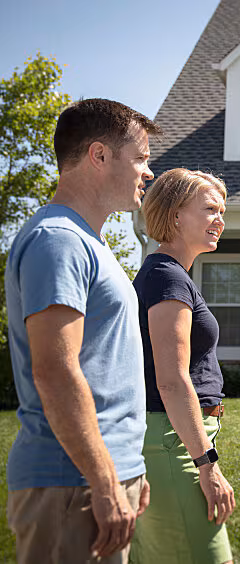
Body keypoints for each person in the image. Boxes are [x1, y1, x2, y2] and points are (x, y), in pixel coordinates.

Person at [4, 98, 160, 563]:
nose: (148, 172)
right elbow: (54, 371)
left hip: (99, 474)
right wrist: (105, 479)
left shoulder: (88, 241)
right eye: (141, 158)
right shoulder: (59, 242)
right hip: (72, 483)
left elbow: (103, 365)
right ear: (99, 155)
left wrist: (129, 467)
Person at [129, 168, 235, 564]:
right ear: (175, 216)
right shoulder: (166, 279)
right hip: (174, 445)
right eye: (209, 209)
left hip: (173, 439)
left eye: (222, 211)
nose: (220, 220)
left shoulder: (168, 275)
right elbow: (172, 380)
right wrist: (206, 465)